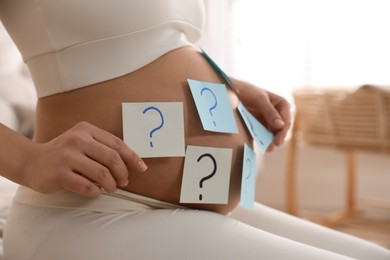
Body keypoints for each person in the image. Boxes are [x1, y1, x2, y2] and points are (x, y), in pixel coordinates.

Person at [0, 1, 389, 259]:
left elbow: (148, 46)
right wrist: (28, 160)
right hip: (94, 211)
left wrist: (225, 88)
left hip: (185, 204)